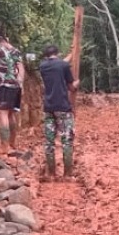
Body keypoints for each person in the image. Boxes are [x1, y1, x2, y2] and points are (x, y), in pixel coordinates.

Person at [38, 45, 80, 179]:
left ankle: (51, 174)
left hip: (48, 108)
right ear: (58, 53)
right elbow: (71, 87)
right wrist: (76, 84)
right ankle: (67, 174)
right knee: (67, 140)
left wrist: (71, 54)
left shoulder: (43, 66)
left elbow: (60, 64)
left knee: (49, 142)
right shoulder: (63, 66)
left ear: (46, 55)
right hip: (63, 108)